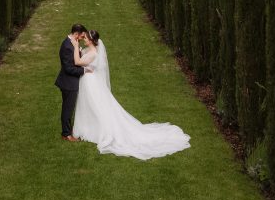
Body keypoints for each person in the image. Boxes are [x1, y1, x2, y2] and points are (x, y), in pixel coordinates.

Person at [71, 30, 190, 160]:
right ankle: (89, 126)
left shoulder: (93, 53)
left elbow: (77, 62)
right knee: (90, 105)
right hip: (89, 81)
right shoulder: (90, 50)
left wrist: (76, 46)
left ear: (92, 41)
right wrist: (80, 48)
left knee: (96, 106)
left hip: (91, 82)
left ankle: (95, 129)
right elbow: (83, 58)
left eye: (86, 38)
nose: (84, 39)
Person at [54, 24, 87, 141]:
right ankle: (66, 134)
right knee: (68, 108)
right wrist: (84, 70)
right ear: (76, 34)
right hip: (68, 82)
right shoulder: (67, 46)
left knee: (68, 107)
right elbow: (69, 68)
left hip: (69, 81)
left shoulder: (72, 43)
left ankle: (67, 130)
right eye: (82, 36)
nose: (83, 39)